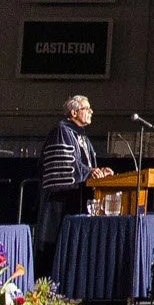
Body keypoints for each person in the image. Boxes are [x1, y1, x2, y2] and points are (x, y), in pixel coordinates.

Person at [38, 94, 109, 249]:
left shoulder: (82, 135)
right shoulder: (61, 131)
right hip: (62, 202)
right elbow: (65, 163)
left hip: (80, 198)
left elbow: (86, 165)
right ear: (74, 112)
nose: (91, 112)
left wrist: (99, 172)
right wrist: (89, 172)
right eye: (87, 108)